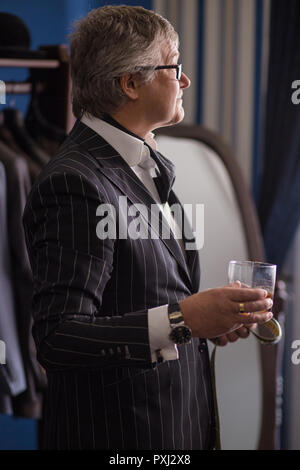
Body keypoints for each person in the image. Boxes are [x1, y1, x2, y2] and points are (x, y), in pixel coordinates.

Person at [23, 5, 273, 450]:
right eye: (174, 66)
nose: (185, 80)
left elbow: (147, 299)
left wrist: (203, 322)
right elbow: (58, 339)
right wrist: (183, 319)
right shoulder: (75, 181)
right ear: (130, 83)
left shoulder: (148, 163)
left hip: (176, 426)